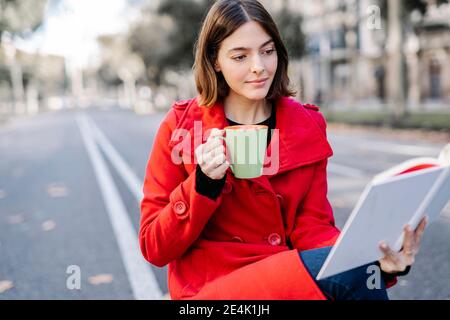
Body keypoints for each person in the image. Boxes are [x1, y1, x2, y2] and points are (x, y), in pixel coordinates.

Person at [139, 0, 427, 300]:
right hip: (211, 292)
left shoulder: (305, 124)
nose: (259, 67)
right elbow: (154, 247)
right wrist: (202, 186)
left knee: (363, 270)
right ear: (215, 61)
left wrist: (376, 261)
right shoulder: (181, 127)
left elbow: (313, 228)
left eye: (267, 51)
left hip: (285, 280)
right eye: (240, 56)